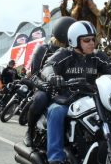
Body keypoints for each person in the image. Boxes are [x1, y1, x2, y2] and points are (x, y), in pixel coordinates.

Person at [40, 20, 111, 164]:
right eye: (86, 40)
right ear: (75, 41)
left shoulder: (97, 56)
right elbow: (48, 67)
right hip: (67, 99)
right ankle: (55, 160)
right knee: (55, 112)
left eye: (93, 39)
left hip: (91, 99)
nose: (92, 43)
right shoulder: (63, 55)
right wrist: (52, 77)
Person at [23, 16, 75, 147]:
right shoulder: (43, 50)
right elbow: (34, 75)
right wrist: (44, 86)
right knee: (41, 99)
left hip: (67, 88)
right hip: (45, 87)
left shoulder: (76, 50)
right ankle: (30, 130)